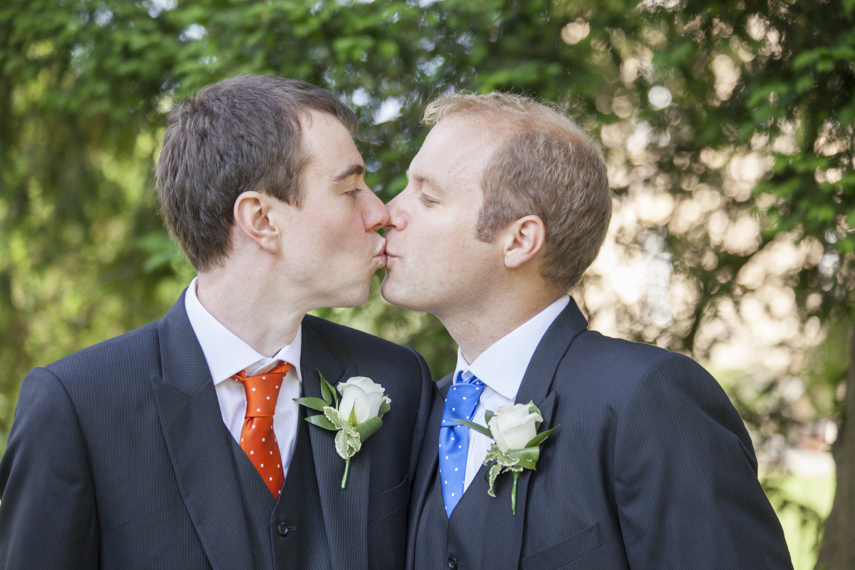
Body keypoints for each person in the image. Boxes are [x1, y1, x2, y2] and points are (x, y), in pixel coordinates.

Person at [0, 75, 432, 570]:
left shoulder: (399, 383)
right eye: (351, 188)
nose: (380, 211)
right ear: (261, 219)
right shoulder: (77, 406)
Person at [382, 92, 793, 570]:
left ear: (518, 240)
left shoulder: (647, 398)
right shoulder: (420, 416)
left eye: (428, 197)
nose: (389, 212)